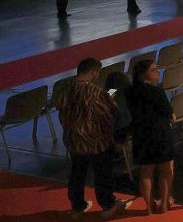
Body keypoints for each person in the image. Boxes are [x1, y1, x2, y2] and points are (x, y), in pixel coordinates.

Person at [55, 58, 129, 220]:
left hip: (75, 141)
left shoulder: (65, 91)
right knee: (103, 175)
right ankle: (107, 205)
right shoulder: (94, 92)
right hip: (97, 142)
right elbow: (109, 111)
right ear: (93, 72)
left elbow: (61, 115)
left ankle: (77, 207)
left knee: (77, 175)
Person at [126, 60, 176, 214]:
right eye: (153, 70)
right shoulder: (157, 92)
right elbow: (169, 114)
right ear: (143, 74)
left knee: (145, 172)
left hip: (141, 135)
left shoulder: (129, 91)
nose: (157, 72)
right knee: (165, 171)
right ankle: (164, 204)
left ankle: (148, 207)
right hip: (160, 135)